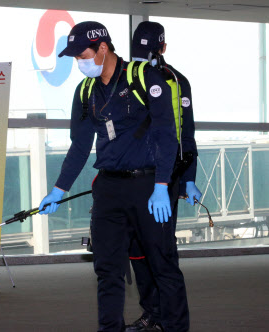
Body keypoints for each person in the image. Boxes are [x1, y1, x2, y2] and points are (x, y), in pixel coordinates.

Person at [38, 21, 184, 331]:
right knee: (107, 269)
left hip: (148, 186)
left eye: (83, 55)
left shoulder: (144, 77)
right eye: (76, 58)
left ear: (103, 48)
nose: (80, 63)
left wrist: (161, 185)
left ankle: (175, 327)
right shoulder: (85, 91)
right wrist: (59, 189)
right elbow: (79, 147)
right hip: (108, 189)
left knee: (162, 264)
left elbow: (166, 135)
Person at [126, 21, 202, 332]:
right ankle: (153, 313)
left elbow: (185, 133)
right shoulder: (122, 78)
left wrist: (188, 179)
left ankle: (173, 322)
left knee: (161, 250)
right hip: (128, 178)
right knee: (136, 249)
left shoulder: (176, 82)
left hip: (164, 177)